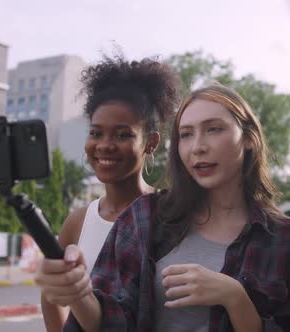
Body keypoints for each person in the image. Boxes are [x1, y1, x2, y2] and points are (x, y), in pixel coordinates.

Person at [36, 84, 290, 331]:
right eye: (186, 134)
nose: (198, 147)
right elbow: (109, 321)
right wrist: (80, 293)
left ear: (249, 139)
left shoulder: (285, 238)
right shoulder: (144, 217)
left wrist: (235, 297)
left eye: (214, 129)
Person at [39, 55, 181, 331]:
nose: (105, 145)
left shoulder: (171, 214)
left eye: (122, 135)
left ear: (150, 142)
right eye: (96, 133)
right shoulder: (77, 222)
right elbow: (51, 297)